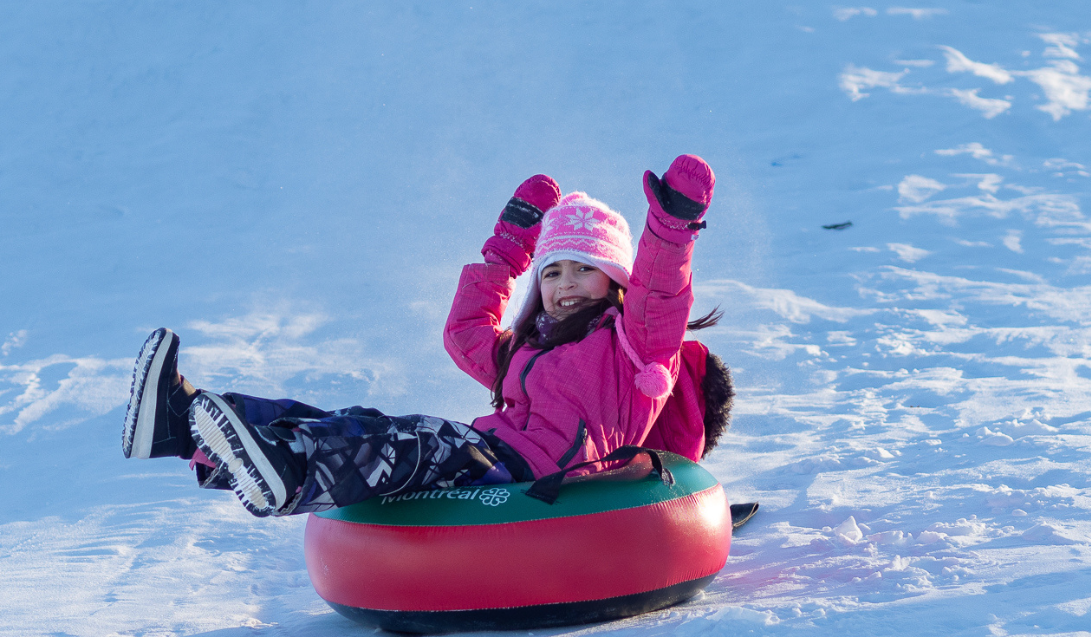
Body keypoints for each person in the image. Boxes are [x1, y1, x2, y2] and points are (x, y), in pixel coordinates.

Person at [121, 155, 717, 517]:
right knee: (366, 423)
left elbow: (661, 295)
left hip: (530, 475)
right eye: (553, 270)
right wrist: (507, 251)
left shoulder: (632, 350)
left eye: (583, 269)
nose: (564, 285)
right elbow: (464, 333)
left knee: (420, 441)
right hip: (491, 454)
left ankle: (288, 473)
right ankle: (185, 422)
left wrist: (671, 228)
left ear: (615, 280)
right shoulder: (527, 348)